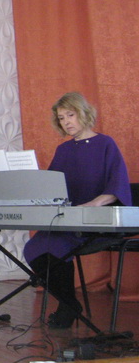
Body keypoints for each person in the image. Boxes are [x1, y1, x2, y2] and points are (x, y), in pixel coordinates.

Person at [23, 92, 131, 329]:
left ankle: (67, 307)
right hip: (66, 220)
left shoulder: (106, 144)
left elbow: (118, 186)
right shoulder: (63, 150)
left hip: (94, 221)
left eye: (70, 115)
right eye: (61, 118)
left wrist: (92, 204)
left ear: (83, 113)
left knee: (56, 248)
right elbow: (51, 187)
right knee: (34, 249)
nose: (66, 122)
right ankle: (70, 303)